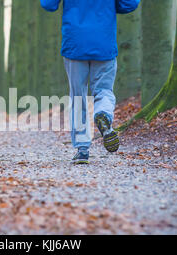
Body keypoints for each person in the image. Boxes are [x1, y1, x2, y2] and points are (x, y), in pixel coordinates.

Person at [40, 0, 140, 164]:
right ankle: (104, 114)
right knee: (104, 90)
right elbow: (129, 4)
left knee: (78, 96)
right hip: (104, 42)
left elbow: (48, 4)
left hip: (75, 43)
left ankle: (82, 149)